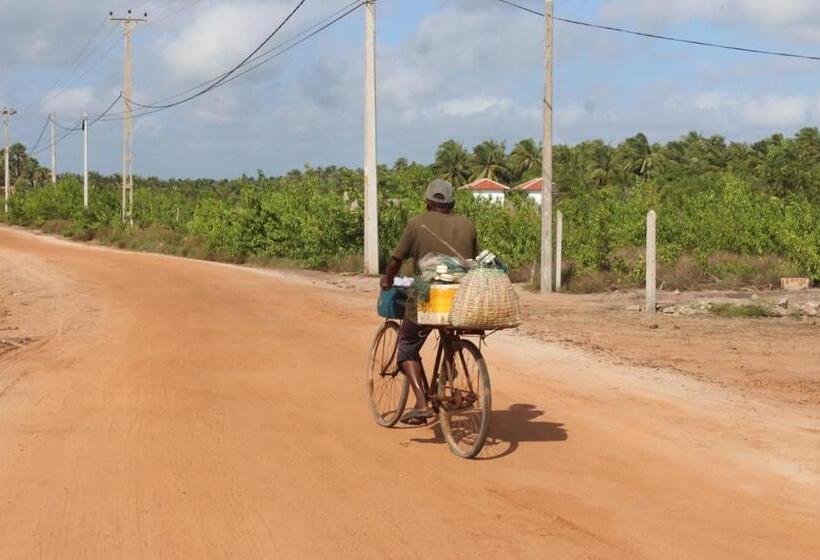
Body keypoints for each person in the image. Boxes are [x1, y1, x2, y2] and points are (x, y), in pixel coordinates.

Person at [380, 179, 479, 425]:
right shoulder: (467, 224)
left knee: (407, 346)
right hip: (461, 296)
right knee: (447, 329)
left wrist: (387, 280)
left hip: (428, 294)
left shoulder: (417, 222)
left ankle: (423, 404)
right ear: (451, 203)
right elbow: (475, 259)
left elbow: (395, 259)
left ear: (427, 202)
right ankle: (449, 364)